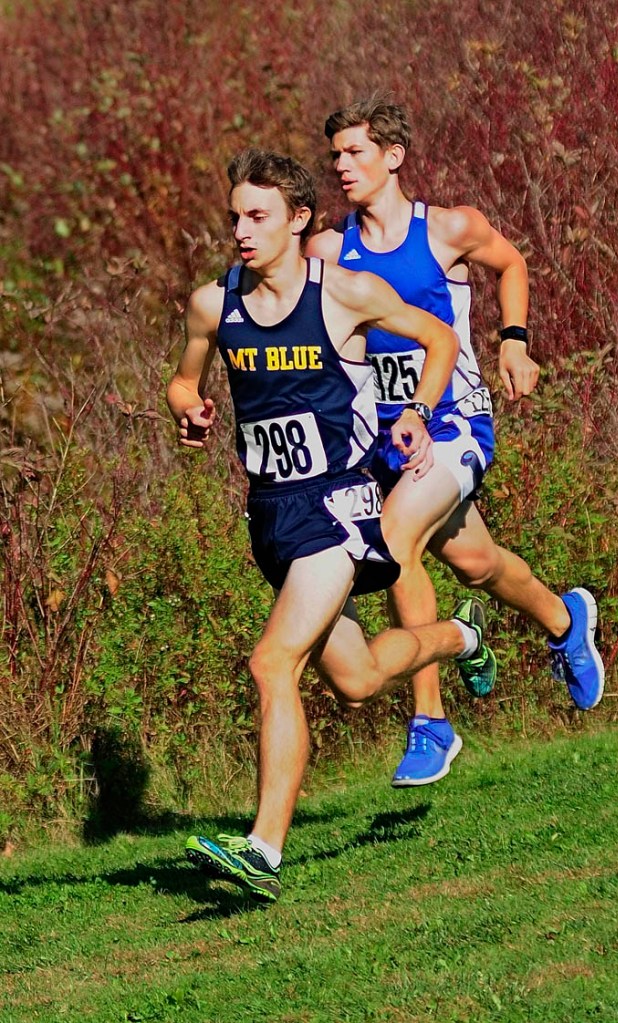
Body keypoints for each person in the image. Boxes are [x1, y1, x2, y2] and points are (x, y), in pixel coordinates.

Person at [166, 147, 496, 903]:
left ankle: (263, 850)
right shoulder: (215, 305)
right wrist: (186, 405)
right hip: (272, 516)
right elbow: (185, 377)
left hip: (339, 506)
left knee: (270, 663)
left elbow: (439, 340)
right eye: (234, 218)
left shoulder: (345, 291)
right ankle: (462, 635)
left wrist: (415, 412)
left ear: (298, 219)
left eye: (258, 217)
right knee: (357, 678)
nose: (242, 232)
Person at [306, 99, 604, 789]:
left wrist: (516, 342)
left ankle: (432, 722)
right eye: (336, 157)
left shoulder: (448, 228)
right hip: (382, 442)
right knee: (476, 562)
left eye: (355, 152)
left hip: (453, 423)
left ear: (393, 156)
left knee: (395, 538)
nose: (342, 167)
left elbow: (514, 264)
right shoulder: (328, 249)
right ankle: (566, 619)